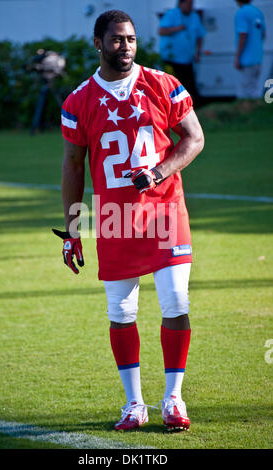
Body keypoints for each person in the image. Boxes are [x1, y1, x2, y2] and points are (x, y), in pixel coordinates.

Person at [53, 9, 204, 432]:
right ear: (98, 43)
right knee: (121, 312)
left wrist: (158, 172)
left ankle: (174, 398)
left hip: (164, 210)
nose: (125, 47)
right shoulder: (78, 100)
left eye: (131, 39)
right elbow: (73, 165)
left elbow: (194, 138)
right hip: (115, 217)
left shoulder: (162, 84)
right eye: (117, 39)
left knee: (176, 301)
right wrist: (71, 228)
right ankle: (134, 404)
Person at [158, 0, 206, 107]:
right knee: (171, 86)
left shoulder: (194, 16)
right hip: (171, 58)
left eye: (192, 4)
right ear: (180, 4)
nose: (190, 7)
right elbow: (161, 31)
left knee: (189, 85)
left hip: (187, 58)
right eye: (188, 4)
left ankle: (193, 108)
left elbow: (200, 35)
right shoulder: (171, 14)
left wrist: (198, 52)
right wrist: (178, 28)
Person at [234, 0, 266, 99]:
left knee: (245, 92)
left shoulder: (241, 13)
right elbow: (263, 34)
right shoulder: (257, 12)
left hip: (247, 59)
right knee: (254, 88)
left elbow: (243, 34)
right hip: (258, 58)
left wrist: (237, 57)